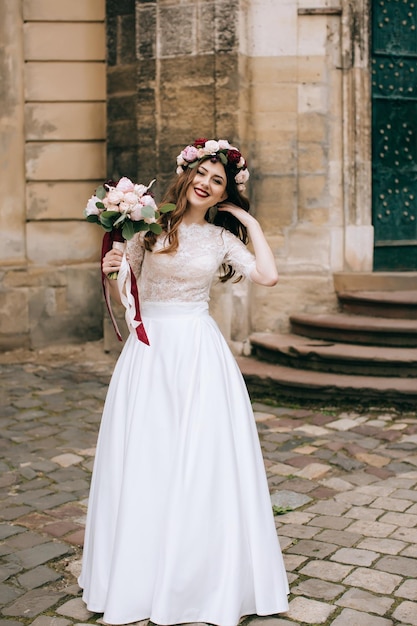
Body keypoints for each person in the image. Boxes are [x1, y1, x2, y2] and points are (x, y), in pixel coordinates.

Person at [79, 138, 289, 626]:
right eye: (202, 174)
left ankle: (199, 575)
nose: (206, 184)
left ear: (223, 194)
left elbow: (268, 276)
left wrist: (250, 222)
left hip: (198, 353)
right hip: (151, 355)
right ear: (186, 174)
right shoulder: (148, 226)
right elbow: (126, 277)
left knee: (201, 458)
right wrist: (112, 266)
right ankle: (141, 575)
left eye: (218, 181)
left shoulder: (220, 241)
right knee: (148, 455)